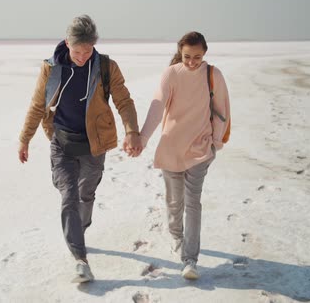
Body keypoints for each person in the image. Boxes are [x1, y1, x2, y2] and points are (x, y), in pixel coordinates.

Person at [18, 15, 142, 283]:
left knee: (86, 194)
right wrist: (24, 139)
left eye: (88, 51)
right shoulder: (52, 69)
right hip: (62, 142)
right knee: (69, 196)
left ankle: (80, 229)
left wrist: (132, 131)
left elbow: (123, 100)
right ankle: (80, 258)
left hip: (95, 145)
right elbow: (38, 105)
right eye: (77, 51)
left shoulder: (106, 67)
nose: (83, 56)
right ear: (67, 43)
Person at [139, 31, 230, 280]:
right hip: (171, 147)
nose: (192, 62)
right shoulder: (171, 74)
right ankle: (177, 236)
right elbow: (158, 105)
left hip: (200, 150)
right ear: (180, 52)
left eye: (197, 57)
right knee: (174, 202)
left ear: (205, 54)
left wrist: (215, 143)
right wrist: (143, 137)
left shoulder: (213, 74)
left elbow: (222, 108)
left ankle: (190, 260)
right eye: (187, 56)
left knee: (193, 203)